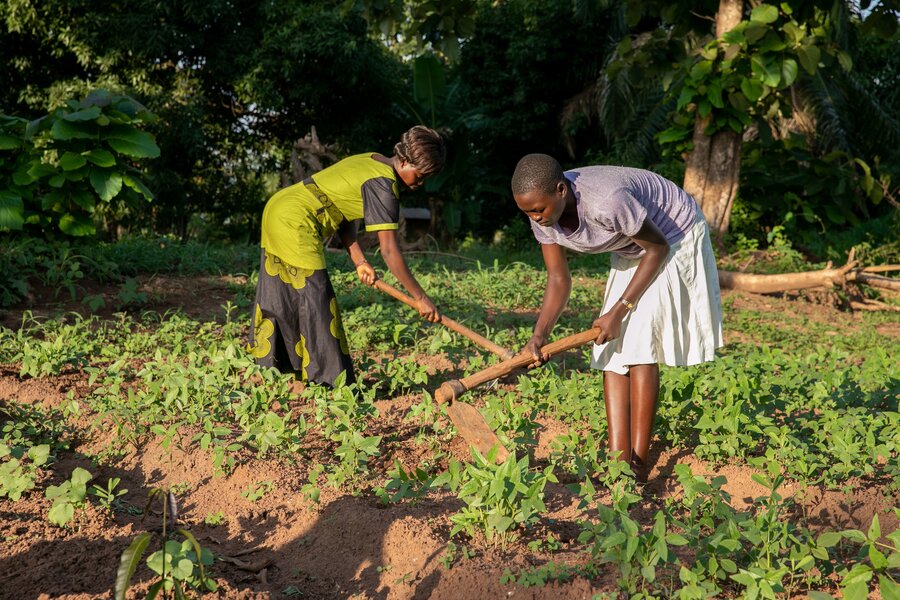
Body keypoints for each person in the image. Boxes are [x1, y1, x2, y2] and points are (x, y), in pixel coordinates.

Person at [510, 153, 723, 481]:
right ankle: (617, 461)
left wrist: (620, 310)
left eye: (538, 209)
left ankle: (638, 464)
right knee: (608, 349)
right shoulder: (540, 212)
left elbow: (657, 249)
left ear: (561, 190)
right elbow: (558, 279)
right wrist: (538, 337)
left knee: (637, 345)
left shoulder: (606, 202)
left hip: (672, 234)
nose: (535, 218)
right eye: (527, 212)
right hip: (632, 244)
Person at [248, 125, 445, 387]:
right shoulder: (384, 186)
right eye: (419, 176)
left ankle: (277, 371)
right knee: (316, 300)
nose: (420, 184)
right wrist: (421, 298)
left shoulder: (372, 160)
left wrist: (359, 260)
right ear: (406, 160)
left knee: (282, 292)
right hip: (296, 220)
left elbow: (339, 210)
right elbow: (388, 251)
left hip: (279, 207)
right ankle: (330, 384)